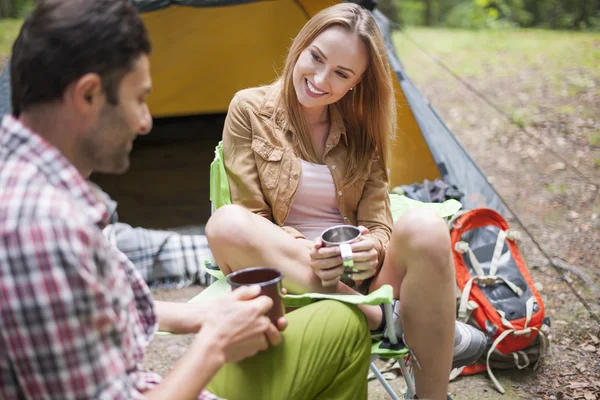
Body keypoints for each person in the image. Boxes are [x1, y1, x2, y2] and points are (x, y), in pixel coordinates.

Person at [0, 1, 372, 399]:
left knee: (340, 321)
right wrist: (215, 344)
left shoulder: (32, 184)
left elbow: (98, 308)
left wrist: (200, 315)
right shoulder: (43, 230)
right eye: (139, 99)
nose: (145, 122)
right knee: (346, 332)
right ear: (88, 94)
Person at [206, 4, 487, 400]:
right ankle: (379, 317)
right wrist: (311, 253)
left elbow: (378, 223)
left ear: (356, 82)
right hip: (289, 278)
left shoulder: (360, 127)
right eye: (316, 58)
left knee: (427, 226)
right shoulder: (249, 110)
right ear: (300, 47)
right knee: (226, 223)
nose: (320, 79)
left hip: (361, 278)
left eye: (341, 74)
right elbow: (253, 215)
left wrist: (369, 248)